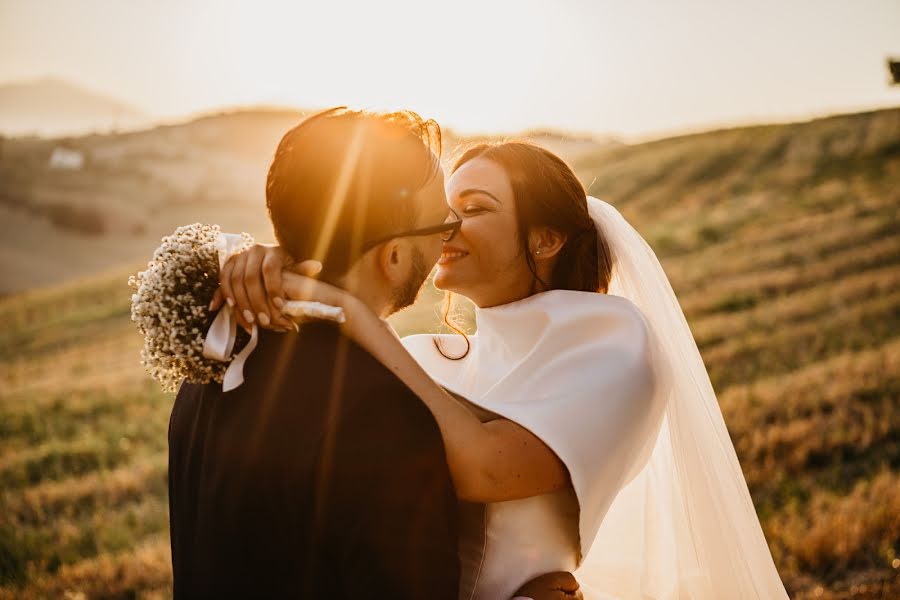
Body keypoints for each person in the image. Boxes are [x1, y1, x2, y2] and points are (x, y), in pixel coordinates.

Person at [215, 136, 790, 597]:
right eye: (445, 211)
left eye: (475, 210)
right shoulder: (427, 356)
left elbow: (486, 470)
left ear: (545, 240)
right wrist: (274, 269)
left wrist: (355, 313)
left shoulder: (613, 344)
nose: (445, 228)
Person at [171, 107, 581, 600]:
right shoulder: (384, 415)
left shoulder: (216, 365)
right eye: (442, 224)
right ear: (392, 256)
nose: (450, 237)